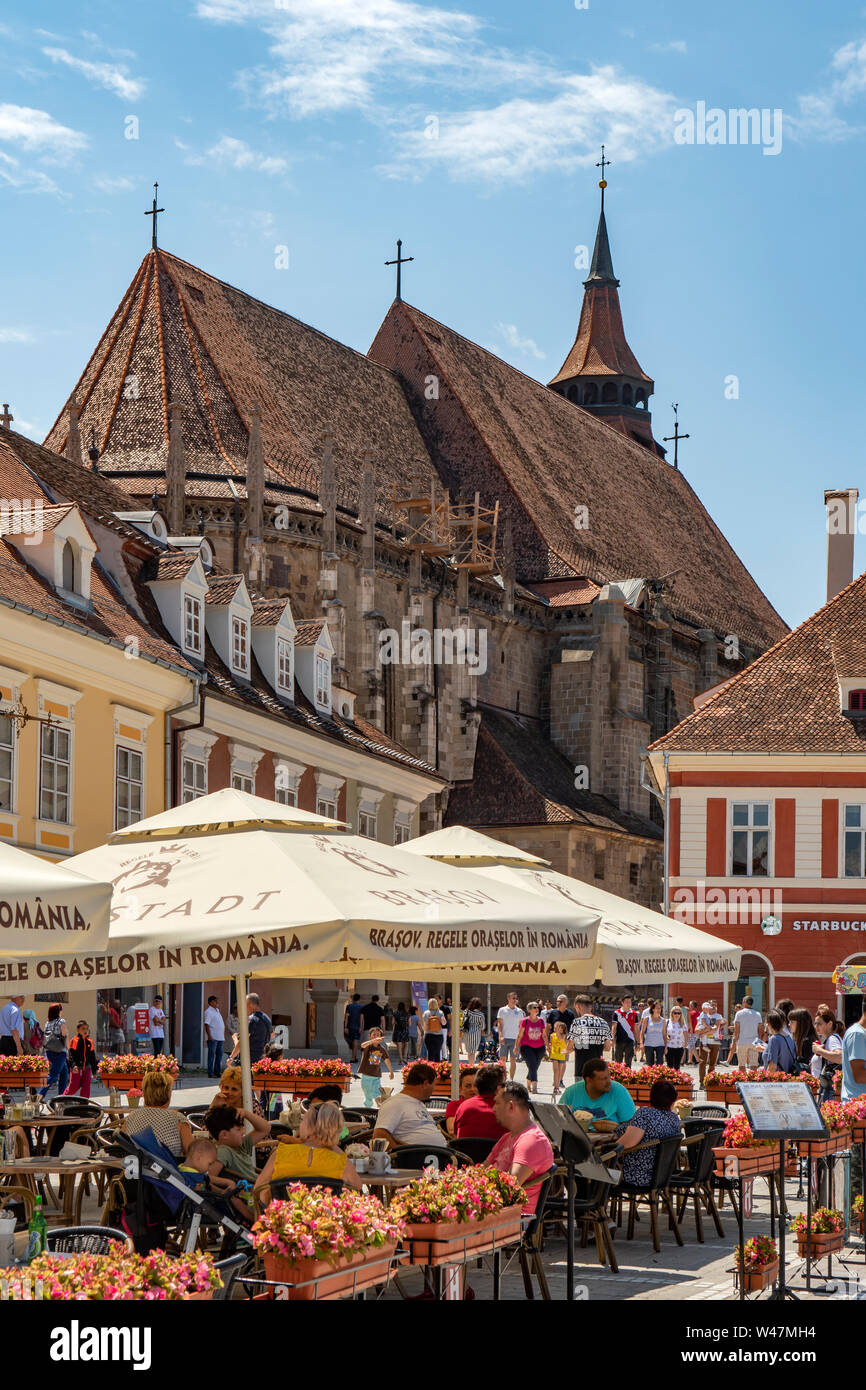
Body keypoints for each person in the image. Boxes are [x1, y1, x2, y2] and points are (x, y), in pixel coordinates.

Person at [255, 1101, 363, 1201]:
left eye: (303, 1120)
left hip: (284, 1219)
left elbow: (258, 1189)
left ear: (312, 1128)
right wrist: (331, 1143)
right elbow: (357, 1187)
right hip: (325, 1220)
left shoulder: (280, 1153)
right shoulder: (341, 1162)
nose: (300, 1125)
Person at [488, 1082, 554, 1214]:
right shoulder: (507, 1138)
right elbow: (481, 1170)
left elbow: (509, 1186)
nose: (493, 1109)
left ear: (511, 1106)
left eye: (497, 1103)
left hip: (514, 1218)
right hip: (494, 1211)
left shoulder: (532, 1140)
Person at [611, 1080, 683, 1185]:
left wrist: (604, 1152)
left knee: (590, 1173)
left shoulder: (645, 1114)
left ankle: (592, 1200)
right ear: (673, 1101)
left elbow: (627, 1143)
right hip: (661, 1175)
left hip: (635, 1176)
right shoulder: (674, 1119)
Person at [371, 1062, 448, 1149]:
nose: (434, 1089)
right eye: (434, 1085)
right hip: (418, 1159)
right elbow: (379, 1135)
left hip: (439, 1156)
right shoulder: (395, 1103)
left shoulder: (419, 1103)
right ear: (425, 1084)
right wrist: (402, 1154)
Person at [122, 1068, 193, 1158]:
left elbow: (115, 1148)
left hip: (135, 1169)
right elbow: (193, 1153)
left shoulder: (131, 1117)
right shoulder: (178, 1119)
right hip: (167, 1170)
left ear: (144, 1093)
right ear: (168, 1094)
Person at [560, 1058, 637, 1133]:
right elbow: (558, 1118)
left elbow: (633, 1126)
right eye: (603, 1079)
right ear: (588, 1080)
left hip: (611, 1143)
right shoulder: (571, 1092)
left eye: (609, 1077)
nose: (608, 1082)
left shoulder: (619, 1091)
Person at [203, 1102, 272, 1185]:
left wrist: (246, 1113)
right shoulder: (224, 1151)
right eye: (238, 1129)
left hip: (260, 1186)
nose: (243, 1132)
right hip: (254, 1191)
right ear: (224, 1135)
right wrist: (229, 1183)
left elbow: (265, 1129)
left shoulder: (240, 1145)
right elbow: (208, 1177)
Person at [454, 1064, 507, 1141]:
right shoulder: (508, 1109)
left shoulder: (464, 1106)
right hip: (499, 1152)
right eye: (504, 1085)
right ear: (499, 1088)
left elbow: (455, 1134)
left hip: (464, 1152)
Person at [566, 995, 612, 1083]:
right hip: (597, 1070)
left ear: (578, 1006)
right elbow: (608, 1048)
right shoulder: (603, 1022)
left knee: (581, 1095)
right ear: (590, 1007)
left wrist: (577, 1047)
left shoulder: (577, 1023)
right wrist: (595, 1045)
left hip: (581, 1070)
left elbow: (569, 1047)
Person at [812, 1008, 844, 1101]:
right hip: (832, 1089)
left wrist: (819, 1050)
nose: (816, 1026)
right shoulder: (830, 1039)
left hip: (831, 1091)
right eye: (815, 1023)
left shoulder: (832, 1039)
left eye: (819, 1023)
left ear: (829, 1024)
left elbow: (840, 1057)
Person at [358, 1026, 394, 1107]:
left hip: (376, 1076)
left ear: (381, 1037)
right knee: (368, 1097)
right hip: (366, 1076)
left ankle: (379, 1107)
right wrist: (372, 1041)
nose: (376, 1036)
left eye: (378, 1035)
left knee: (377, 1093)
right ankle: (367, 1109)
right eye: (374, 1035)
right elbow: (362, 1045)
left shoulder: (381, 1049)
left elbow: (387, 1060)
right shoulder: (368, 1046)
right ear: (369, 1036)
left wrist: (391, 1072)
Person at [39, 1002, 69, 1100]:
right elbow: (65, 1035)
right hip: (60, 1051)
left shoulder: (47, 1023)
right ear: (58, 1011)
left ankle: (61, 1096)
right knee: (53, 1075)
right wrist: (69, 1050)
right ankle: (40, 1096)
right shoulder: (61, 1021)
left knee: (64, 1073)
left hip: (50, 1051)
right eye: (61, 1009)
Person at [516, 1001, 546, 1093]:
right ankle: (534, 1087)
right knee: (532, 1065)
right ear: (529, 1010)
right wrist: (516, 1047)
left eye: (537, 1007)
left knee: (535, 1066)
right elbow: (520, 1035)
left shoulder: (541, 1021)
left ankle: (528, 1082)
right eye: (534, 1007)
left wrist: (548, 1046)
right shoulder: (525, 1021)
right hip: (526, 1046)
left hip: (540, 1047)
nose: (537, 1009)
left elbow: (544, 1035)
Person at [64, 1020, 97, 1099]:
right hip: (76, 1068)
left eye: (86, 1029)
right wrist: (73, 1065)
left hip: (87, 1068)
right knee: (73, 1087)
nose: (85, 1030)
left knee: (86, 1088)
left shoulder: (89, 1042)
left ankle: (84, 1104)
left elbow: (93, 1057)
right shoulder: (74, 1041)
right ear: (78, 1030)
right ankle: (62, 1099)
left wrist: (94, 1071)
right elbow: (71, 1055)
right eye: (83, 1029)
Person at [496, 992, 525, 1080]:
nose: (515, 1000)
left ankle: (511, 1079)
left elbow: (521, 1026)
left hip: (515, 1039)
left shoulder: (519, 1011)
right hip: (504, 1037)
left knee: (513, 1060)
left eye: (516, 998)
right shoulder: (502, 1010)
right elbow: (499, 1024)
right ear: (508, 998)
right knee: (502, 1060)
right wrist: (500, 1036)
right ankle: (504, 1077)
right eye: (513, 998)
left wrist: (521, 1038)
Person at [695, 1000, 724, 1086]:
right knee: (702, 1062)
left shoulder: (718, 1016)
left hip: (715, 1041)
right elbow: (696, 1030)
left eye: (716, 1005)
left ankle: (710, 1081)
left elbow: (715, 1029)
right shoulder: (702, 1016)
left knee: (712, 1063)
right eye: (712, 1005)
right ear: (708, 1006)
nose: (714, 1006)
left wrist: (703, 1033)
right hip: (704, 1041)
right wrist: (704, 1031)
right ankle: (702, 1082)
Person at [732, 996, 763, 1069]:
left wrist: (735, 1040)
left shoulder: (739, 1013)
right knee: (754, 1065)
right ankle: (753, 1080)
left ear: (745, 1002)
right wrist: (758, 1041)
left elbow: (737, 1029)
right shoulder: (757, 1014)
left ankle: (742, 1080)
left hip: (742, 1041)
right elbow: (760, 1030)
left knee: (741, 1065)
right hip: (754, 1042)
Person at [762, 1010, 797, 1075]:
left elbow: (772, 1067)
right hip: (789, 1078)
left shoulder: (774, 1039)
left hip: (777, 1081)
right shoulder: (790, 1038)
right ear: (783, 1023)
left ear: (768, 1024)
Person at [445, 1067, 478, 1134]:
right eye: (468, 1086)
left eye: (476, 1085)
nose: (472, 1089)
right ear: (460, 1088)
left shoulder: (491, 1104)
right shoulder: (455, 1105)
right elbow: (451, 1130)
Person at [612, 995, 638, 1067]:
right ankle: (617, 1078)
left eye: (630, 1002)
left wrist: (638, 1042)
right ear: (622, 1003)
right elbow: (614, 1026)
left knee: (628, 1063)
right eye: (626, 1002)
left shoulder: (634, 1014)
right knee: (618, 1063)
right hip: (619, 1041)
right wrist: (612, 1038)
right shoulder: (617, 1013)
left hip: (630, 1041)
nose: (628, 1004)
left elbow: (636, 1029)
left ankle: (628, 1077)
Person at [789, 1008, 818, 1072]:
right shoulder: (809, 1039)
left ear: (800, 1024)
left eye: (792, 1022)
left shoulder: (806, 1042)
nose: (789, 1024)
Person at [639, 1001, 668, 1066]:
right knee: (650, 1064)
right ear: (653, 1009)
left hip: (660, 1044)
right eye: (657, 1008)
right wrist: (641, 1043)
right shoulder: (647, 1019)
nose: (658, 1010)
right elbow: (642, 1032)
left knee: (660, 1064)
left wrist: (666, 1046)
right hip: (649, 1044)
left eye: (660, 1008)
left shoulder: (663, 1020)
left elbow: (664, 1034)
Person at [204, 996, 226, 1078]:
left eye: (217, 1001)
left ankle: (217, 1072)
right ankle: (210, 1073)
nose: (217, 1002)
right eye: (215, 1001)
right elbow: (207, 1024)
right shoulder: (208, 1011)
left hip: (220, 1037)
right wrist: (209, 1036)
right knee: (211, 1056)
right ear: (210, 1002)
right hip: (213, 1038)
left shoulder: (217, 1011)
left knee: (219, 1055)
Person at [422, 997, 447, 1062]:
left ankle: (430, 1069)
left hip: (428, 1035)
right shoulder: (440, 1012)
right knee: (437, 1054)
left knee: (430, 1054)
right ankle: (437, 1070)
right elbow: (444, 1023)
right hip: (438, 1036)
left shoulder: (426, 1013)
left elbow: (424, 1026)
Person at [549, 1021, 568, 1095]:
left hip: (561, 1055)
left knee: (560, 1071)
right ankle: (556, 1088)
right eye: (559, 1028)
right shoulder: (552, 1035)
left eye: (562, 1028)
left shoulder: (564, 1035)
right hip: (554, 1054)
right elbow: (551, 1044)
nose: (560, 1029)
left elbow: (562, 1040)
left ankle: (557, 1086)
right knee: (555, 1071)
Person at [665, 1005, 687, 1072]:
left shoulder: (683, 1023)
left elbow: (686, 1034)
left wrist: (685, 1044)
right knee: (670, 1066)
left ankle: (676, 1081)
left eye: (678, 1013)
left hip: (679, 1047)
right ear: (672, 1013)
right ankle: (669, 1081)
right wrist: (666, 1036)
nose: (677, 1015)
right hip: (669, 1047)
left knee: (677, 1066)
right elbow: (663, 1033)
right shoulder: (667, 1022)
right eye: (675, 1013)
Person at [344, 993, 364, 1063]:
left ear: (352, 999)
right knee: (355, 1041)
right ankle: (353, 1058)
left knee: (352, 1042)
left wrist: (345, 1027)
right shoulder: (362, 1007)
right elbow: (362, 1017)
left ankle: (354, 1057)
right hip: (357, 1026)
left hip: (350, 1026)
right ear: (359, 999)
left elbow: (346, 1017)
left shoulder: (349, 1006)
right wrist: (361, 1027)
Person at [687, 1000, 700, 1065]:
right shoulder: (699, 1013)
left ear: (692, 1006)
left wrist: (690, 1030)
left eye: (690, 1005)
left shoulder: (691, 1013)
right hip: (697, 1032)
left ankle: (698, 1060)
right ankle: (689, 1060)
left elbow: (690, 1023)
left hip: (692, 1031)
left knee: (691, 1046)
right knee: (691, 1045)